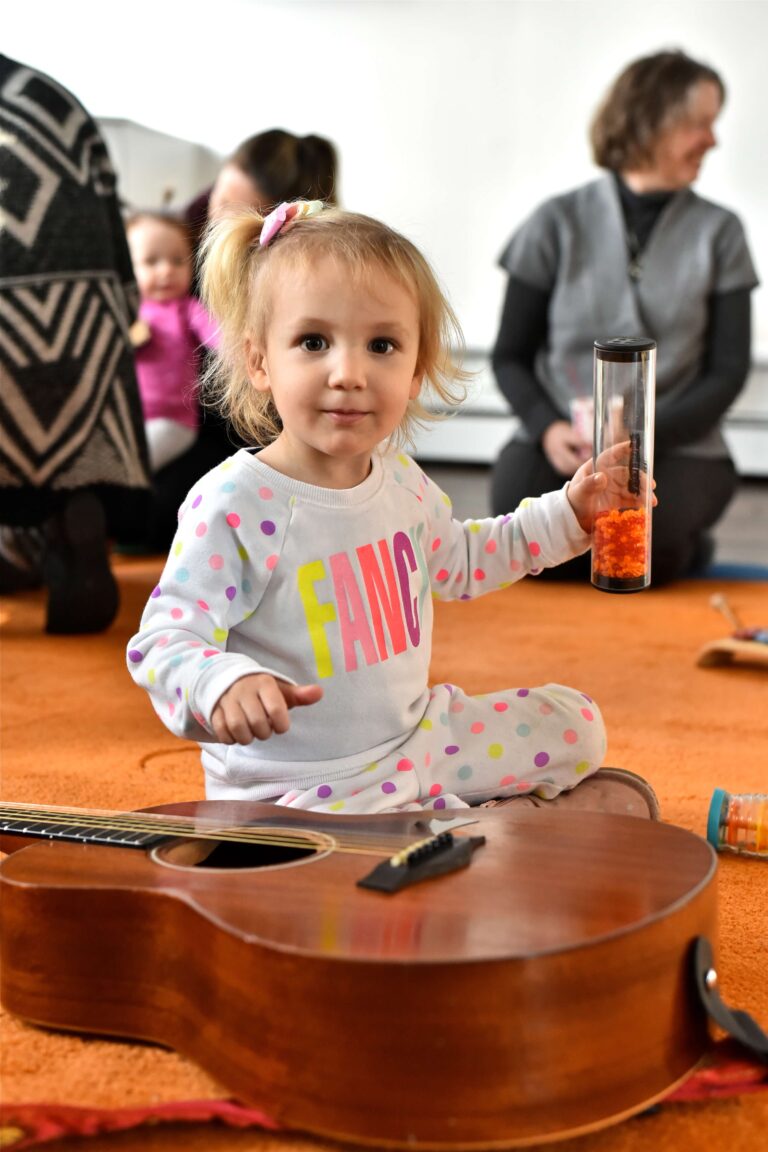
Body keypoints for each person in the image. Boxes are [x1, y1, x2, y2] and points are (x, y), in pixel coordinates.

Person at [126, 200, 659, 819]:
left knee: (578, 723)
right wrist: (220, 683)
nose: (348, 373)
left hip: (415, 741)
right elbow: (163, 639)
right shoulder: (234, 503)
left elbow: (463, 559)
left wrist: (570, 511)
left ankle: (466, 829)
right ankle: (484, 829)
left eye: (381, 344)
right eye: (313, 341)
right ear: (258, 360)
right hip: (297, 789)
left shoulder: (400, 481)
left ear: (415, 372)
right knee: (359, 857)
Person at [489, 49, 759, 585]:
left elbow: (727, 372)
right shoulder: (555, 222)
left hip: (679, 445)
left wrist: (642, 442)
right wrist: (548, 429)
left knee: (642, 547)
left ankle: (684, 543)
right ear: (650, 120)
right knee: (527, 541)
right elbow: (509, 357)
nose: (713, 140)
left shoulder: (721, 232)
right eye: (700, 124)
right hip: (566, 441)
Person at [0, 54, 150, 632]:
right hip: (81, 344)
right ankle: (66, 521)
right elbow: (119, 250)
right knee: (71, 460)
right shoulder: (52, 99)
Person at [138, 130, 340, 552]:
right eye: (217, 196)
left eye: (231, 209)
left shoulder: (302, 271)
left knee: (172, 509)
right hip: (173, 405)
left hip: (242, 423)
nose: (214, 215)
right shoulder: (185, 234)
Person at [126, 212, 218, 473]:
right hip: (127, 416)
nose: (166, 270)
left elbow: (216, 333)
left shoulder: (187, 309)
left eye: (178, 261)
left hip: (173, 421)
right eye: (151, 261)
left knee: (133, 465)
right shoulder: (128, 311)